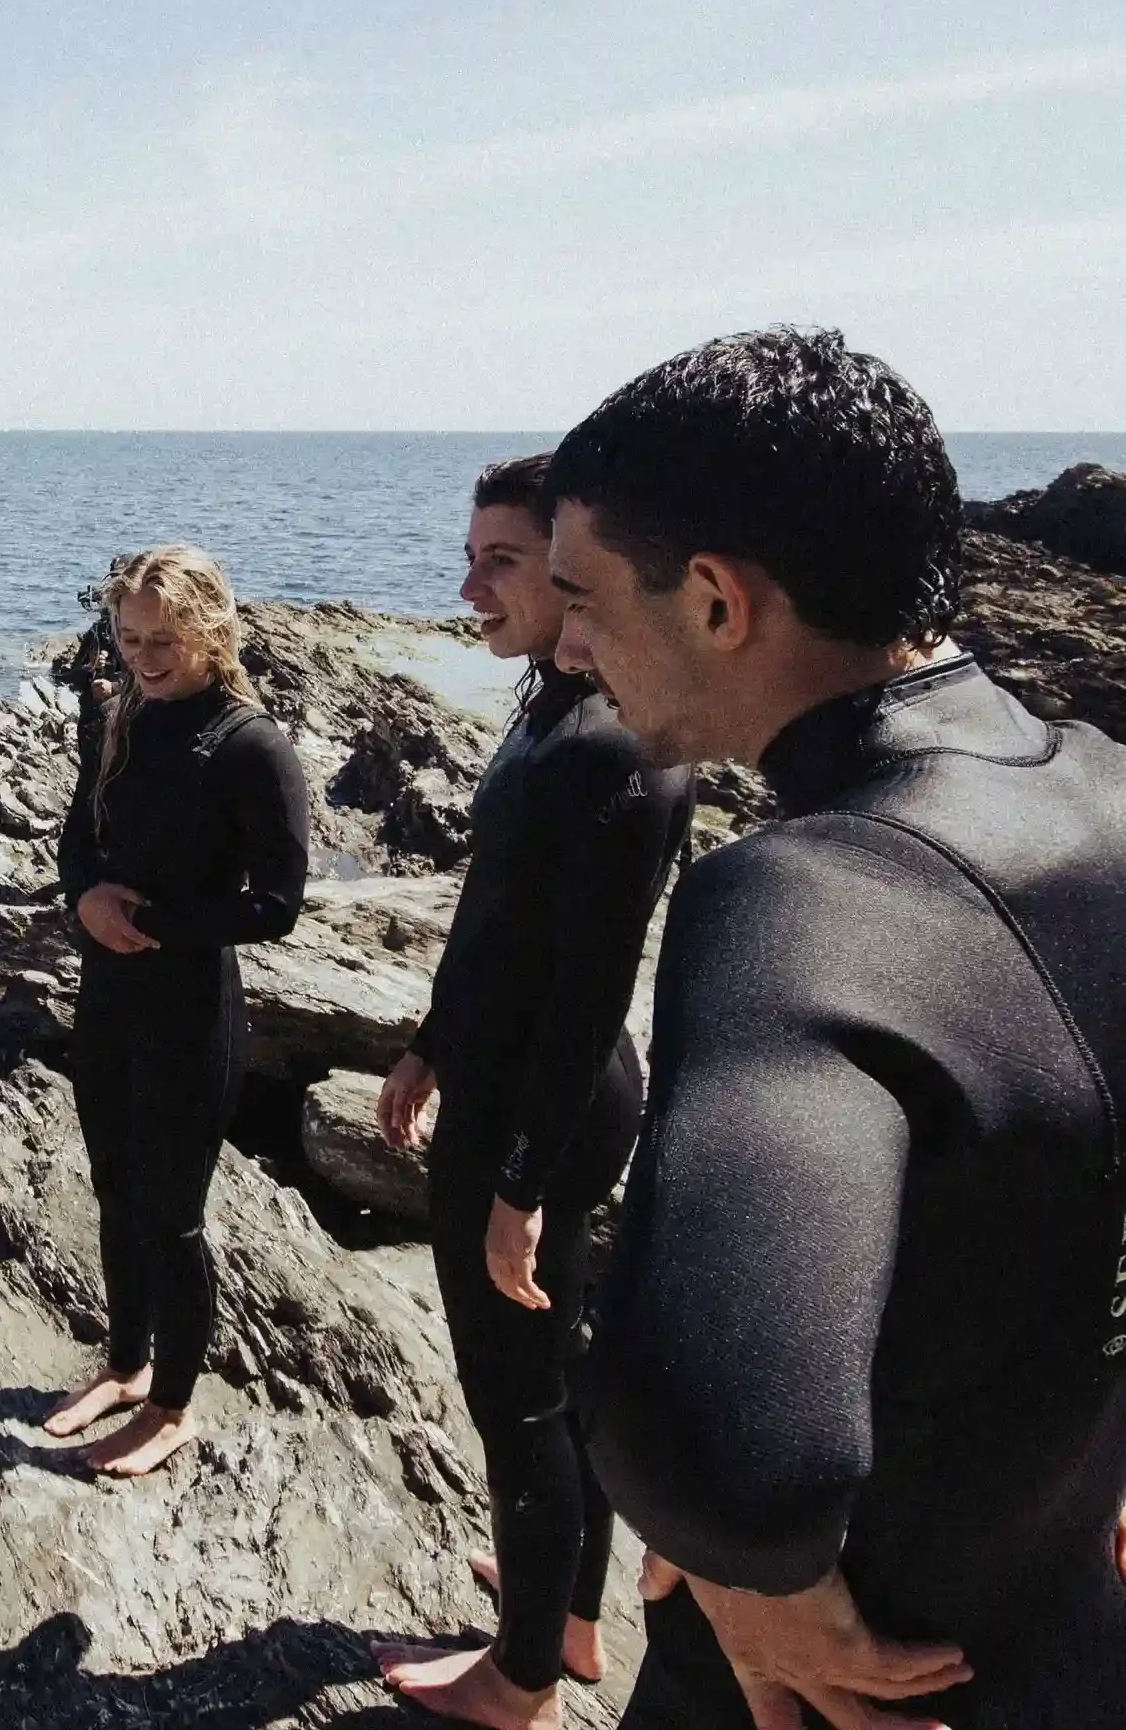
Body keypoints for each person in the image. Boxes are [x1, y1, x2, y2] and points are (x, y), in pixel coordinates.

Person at [552, 327, 1126, 1729]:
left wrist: (741, 1560)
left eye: (581, 596)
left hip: (851, 1681)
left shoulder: (810, 898)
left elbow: (732, 1458)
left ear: (715, 602)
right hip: (1066, 1631)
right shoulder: (1103, 788)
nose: (566, 646)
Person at [371, 455, 693, 1729]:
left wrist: (515, 1179)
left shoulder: (619, 744)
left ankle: (518, 1681)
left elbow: (588, 985)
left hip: (547, 1099)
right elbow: (493, 913)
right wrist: (427, 1038)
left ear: (574, 569)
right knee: (551, 1361)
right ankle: (562, 1608)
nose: (467, 586)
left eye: (499, 559)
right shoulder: (550, 700)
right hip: (508, 1071)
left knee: (513, 1387)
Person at [45, 544, 310, 1476]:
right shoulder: (119, 719)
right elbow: (79, 836)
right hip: (109, 997)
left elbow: (276, 903)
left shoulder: (249, 744)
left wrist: (150, 919)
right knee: (114, 1191)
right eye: (130, 638)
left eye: (165, 638)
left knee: (173, 1216)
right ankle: (124, 1364)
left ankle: (171, 1408)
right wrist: (85, 900)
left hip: (190, 1011)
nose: (146, 656)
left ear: (212, 630)